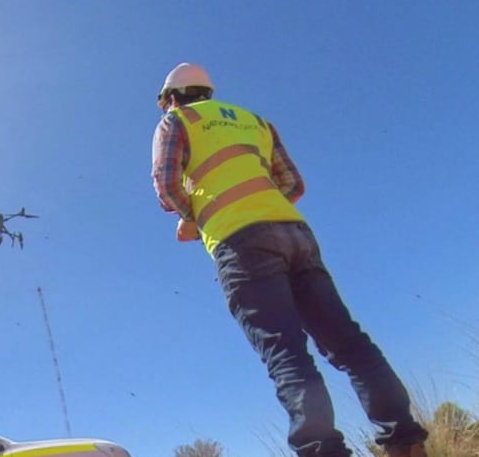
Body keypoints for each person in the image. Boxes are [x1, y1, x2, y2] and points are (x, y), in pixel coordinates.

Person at [151, 62, 429, 457]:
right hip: (295, 234)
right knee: (351, 344)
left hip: (240, 242)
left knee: (286, 354)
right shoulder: (255, 121)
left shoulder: (176, 121)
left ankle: (322, 451)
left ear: (173, 97)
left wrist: (192, 218)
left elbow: (166, 186)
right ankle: (405, 441)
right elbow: (292, 184)